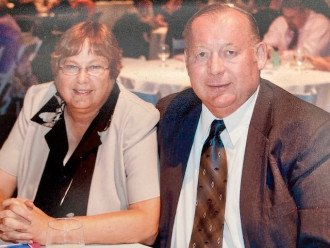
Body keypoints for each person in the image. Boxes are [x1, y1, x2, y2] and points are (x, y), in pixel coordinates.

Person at [156, 3, 330, 248]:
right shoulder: (168, 116)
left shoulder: (309, 134)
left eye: (230, 53)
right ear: (186, 62)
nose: (215, 69)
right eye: (202, 54)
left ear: (259, 55)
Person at [0, 21, 160, 246]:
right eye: (71, 66)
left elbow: (146, 224)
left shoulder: (134, 119)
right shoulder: (43, 103)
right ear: (57, 70)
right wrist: (6, 218)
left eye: (95, 67)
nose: (82, 79)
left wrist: (51, 230)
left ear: (113, 72)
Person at [263, 0, 330, 56]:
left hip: (316, 70)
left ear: (304, 13)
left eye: (292, 17)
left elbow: (308, 54)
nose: (288, 21)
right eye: (286, 17)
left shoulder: (320, 24)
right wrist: (269, 50)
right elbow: (265, 46)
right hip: (285, 69)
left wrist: (281, 54)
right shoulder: (281, 21)